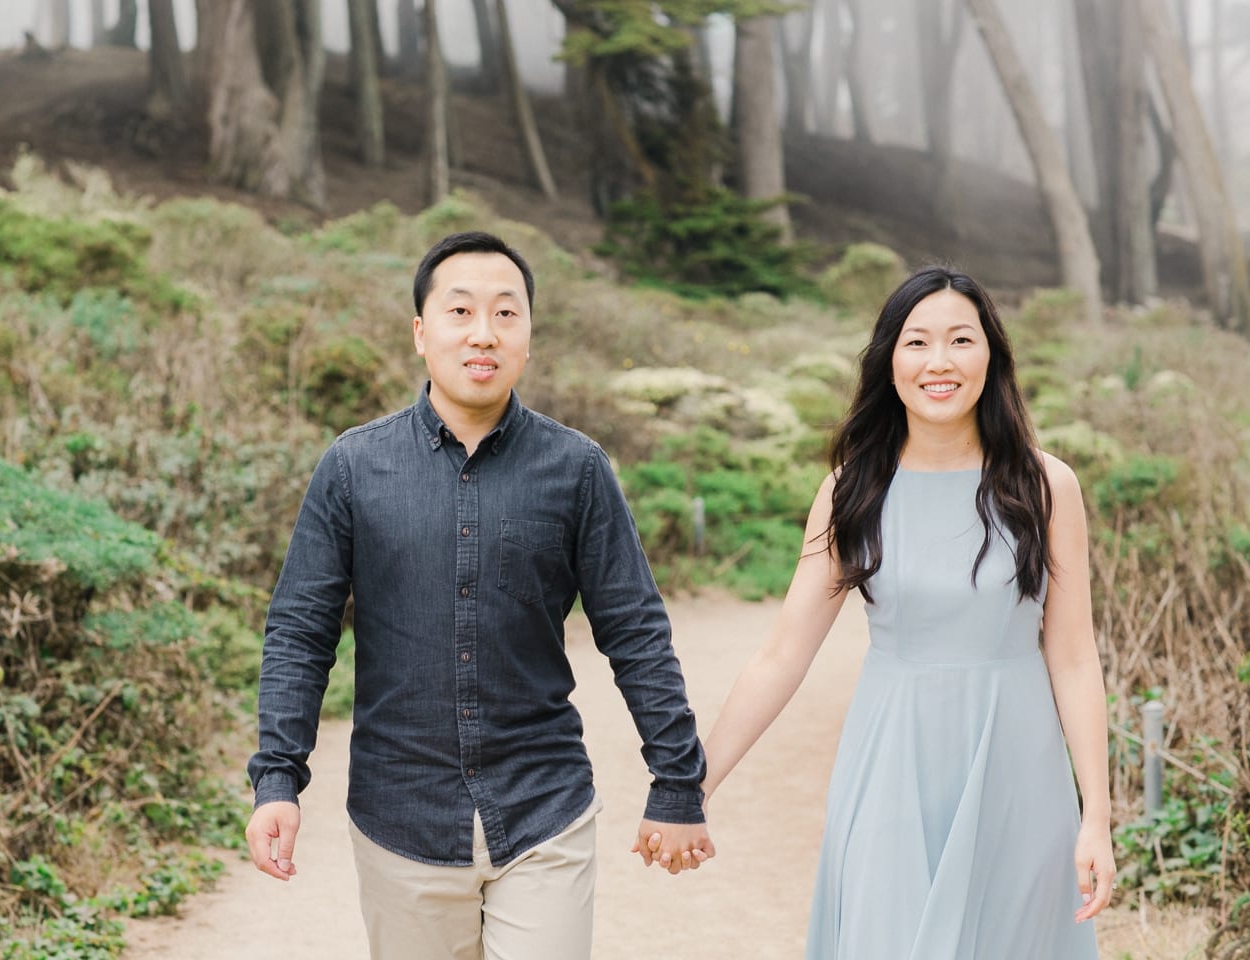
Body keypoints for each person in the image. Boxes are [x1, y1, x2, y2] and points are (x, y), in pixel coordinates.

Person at [244, 231, 713, 960]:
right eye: (460, 312)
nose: (483, 333)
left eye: (506, 313)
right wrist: (277, 778)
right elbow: (301, 633)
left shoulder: (578, 470)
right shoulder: (353, 468)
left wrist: (678, 782)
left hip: (543, 809)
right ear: (421, 334)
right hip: (400, 817)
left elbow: (636, 631)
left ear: (528, 336)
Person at [694, 265, 1114, 957]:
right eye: (917, 343)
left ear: (992, 357)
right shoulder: (851, 489)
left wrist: (1095, 814)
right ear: (890, 360)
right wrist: (698, 780)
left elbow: (1071, 656)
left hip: (1019, 771)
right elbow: (782, 654)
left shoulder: (1046, 486)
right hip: (890, 764)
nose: (939, 362)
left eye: (961, 340)